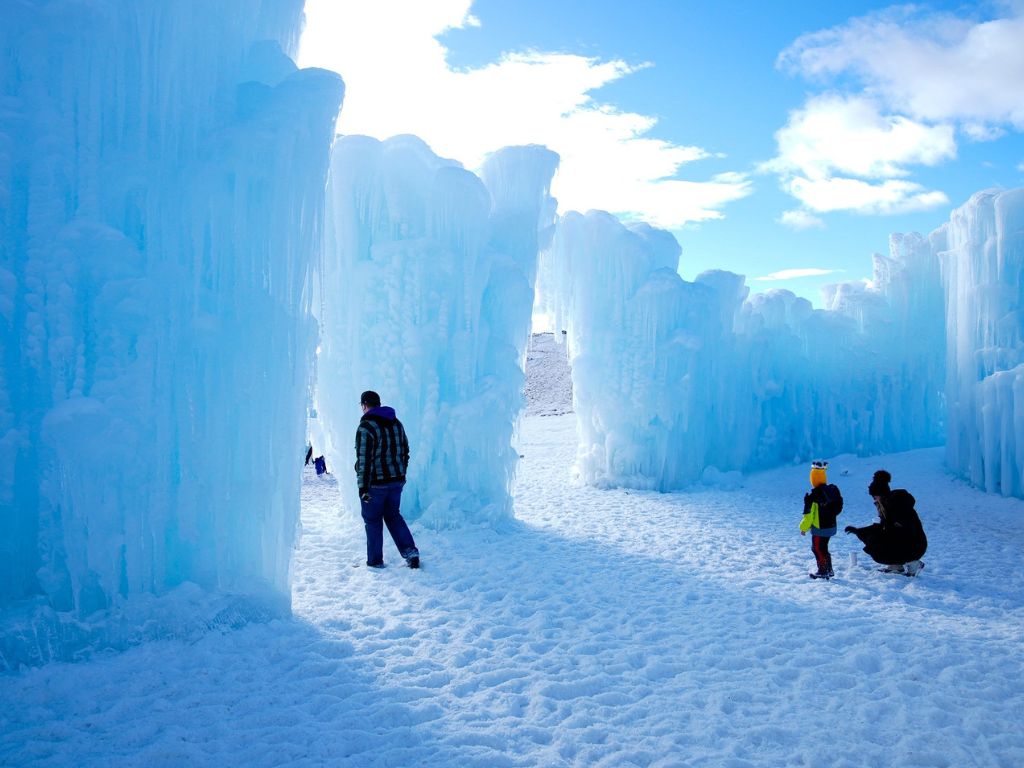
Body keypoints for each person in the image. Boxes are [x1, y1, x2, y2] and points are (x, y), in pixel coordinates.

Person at [355, 390, 420, 569]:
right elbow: (405, 451)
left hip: (375, 484)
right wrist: (401, 473)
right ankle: (410, 552)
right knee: (393, 516)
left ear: (364, 405)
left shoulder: (367, 427)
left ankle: (375, 561)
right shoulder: (396, 423)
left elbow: (364, 459)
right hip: (396, 481)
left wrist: (363, 488)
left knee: (373, 520)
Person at [845, 470, 927, 576]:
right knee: (873, 539)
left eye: (875, 496)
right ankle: (896, 565)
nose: (874, 500)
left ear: (881, 494)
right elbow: (884, 526)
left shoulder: (896, 505)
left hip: (915, 545)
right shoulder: (887, 505)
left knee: (877, 543)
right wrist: (859, 531)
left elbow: (901, 529)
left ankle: (913, 563)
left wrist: (879, 534)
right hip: (909, 543)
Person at [800, 459, 843, 580]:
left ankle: (823, 570)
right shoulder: (831, 491)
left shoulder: (813, 496)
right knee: (824, 548)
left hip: (819, 529)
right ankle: (829, 570)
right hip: (831, 527)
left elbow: (808, 516)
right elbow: (838, 509)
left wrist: (803, 528)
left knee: (817, 548)